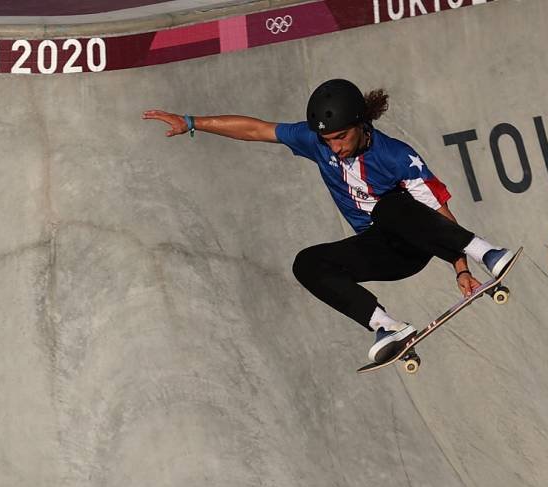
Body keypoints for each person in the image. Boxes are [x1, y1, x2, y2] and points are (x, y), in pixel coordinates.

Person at [143, 79, 516, 364]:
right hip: (382, 252)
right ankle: (386, 327)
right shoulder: (317, 142)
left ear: (360, 123)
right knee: (307, 262)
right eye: (328, 140)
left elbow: (436, 210)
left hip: (414, 239)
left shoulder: (397, 155)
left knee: (389, 207)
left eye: (340, 138)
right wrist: (192, 122)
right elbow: (257, 130)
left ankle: (487, 251)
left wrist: (461, 269)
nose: (334, 147)